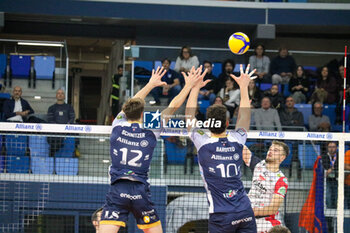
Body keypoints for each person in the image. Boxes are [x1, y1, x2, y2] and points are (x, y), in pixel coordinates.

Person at [100, 66, 208, 233]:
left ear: (126, 111)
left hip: (117, 189)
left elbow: (129, 105)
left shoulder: (117, 125)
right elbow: (173, 105)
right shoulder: (151, 130)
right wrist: (189, 86)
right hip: (140, 191)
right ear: (142, 114)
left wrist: (150, 84)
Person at [185, 64, 258, 233]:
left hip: (221, 214)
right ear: (227, 123)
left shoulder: (202, 142)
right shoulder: (238, 139)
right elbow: (245, 114)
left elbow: (189, 114)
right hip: (245, 211)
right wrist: (244, 87)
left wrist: (194, 87)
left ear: (207, 124)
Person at [243, 141, 289, 233]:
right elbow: (243, 150)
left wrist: (252, 212)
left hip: (266, 222)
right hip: (247, 219)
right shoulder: (259, 165)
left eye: (275, 150)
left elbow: (273, 208)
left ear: (282, 157)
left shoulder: (281, 180)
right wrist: (234, 137)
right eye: (270, 149)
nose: (270, 151)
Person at [47, 89, 76, 157]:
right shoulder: (51, 108)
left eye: (62, 93)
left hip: (67, 131)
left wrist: (66, 127)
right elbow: (50, 120)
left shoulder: (69, 107)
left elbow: (72, 117)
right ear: (56, 96)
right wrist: (57, 128)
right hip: (55, 132)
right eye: (58, 93)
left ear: (64, 96)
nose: (60, 95)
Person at [321, 142, 338, 209]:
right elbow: (324, 170)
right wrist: (329, 170)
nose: (331, 149)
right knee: (328, 199)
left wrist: (331, 169)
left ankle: (336, 218)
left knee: (337, 198)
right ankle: (329, 218)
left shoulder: (340, 156)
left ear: (336, 148)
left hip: (337, 180)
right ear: (327, 148)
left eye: (333, 147)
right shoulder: (324, 157)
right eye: (330, 147)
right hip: (327, 180)